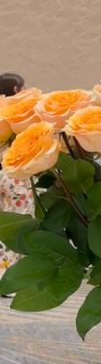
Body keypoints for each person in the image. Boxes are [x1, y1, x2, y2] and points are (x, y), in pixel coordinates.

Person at [0, 73, 35, 278]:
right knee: (19, 227)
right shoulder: (18, 113)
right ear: (15, 90)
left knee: (3, 224)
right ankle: (10, 277)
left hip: (2, 174)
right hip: (16, 175)